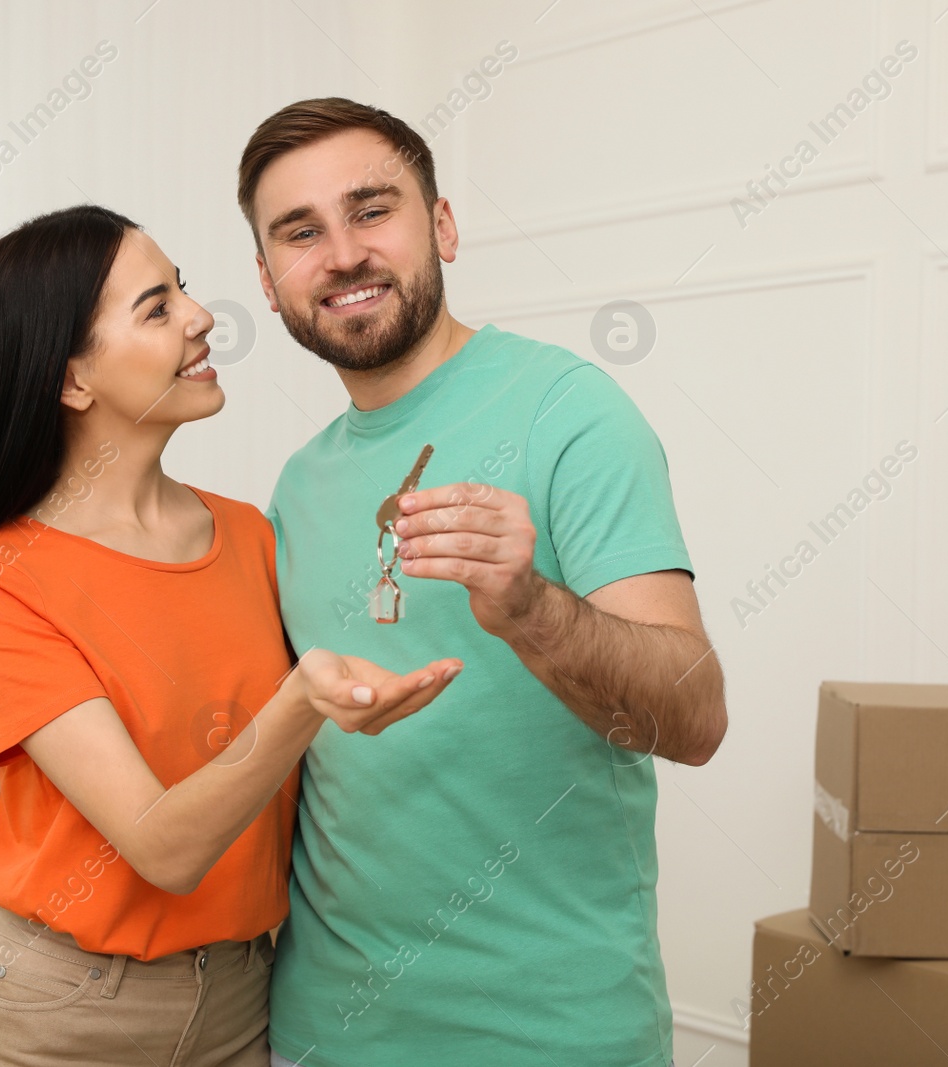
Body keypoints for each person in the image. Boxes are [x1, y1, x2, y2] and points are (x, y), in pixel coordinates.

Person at [236, 99, 729, 1067]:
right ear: (267, 279)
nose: (341, 254)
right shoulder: (298, 482)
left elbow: (695, 718)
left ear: (443, 226)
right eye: (301, 232)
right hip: (321, 1034)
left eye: (371, 210)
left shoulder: (569, 410)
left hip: (553, 1035)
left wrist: (532, 609)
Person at [0, 204, 462, 1067]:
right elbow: (164, 847)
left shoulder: (253, 536)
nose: (201, 315)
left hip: (248, 999)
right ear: (73, 380)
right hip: (64, 1019)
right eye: (155, 307)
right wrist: (303, 702)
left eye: (182, 287)